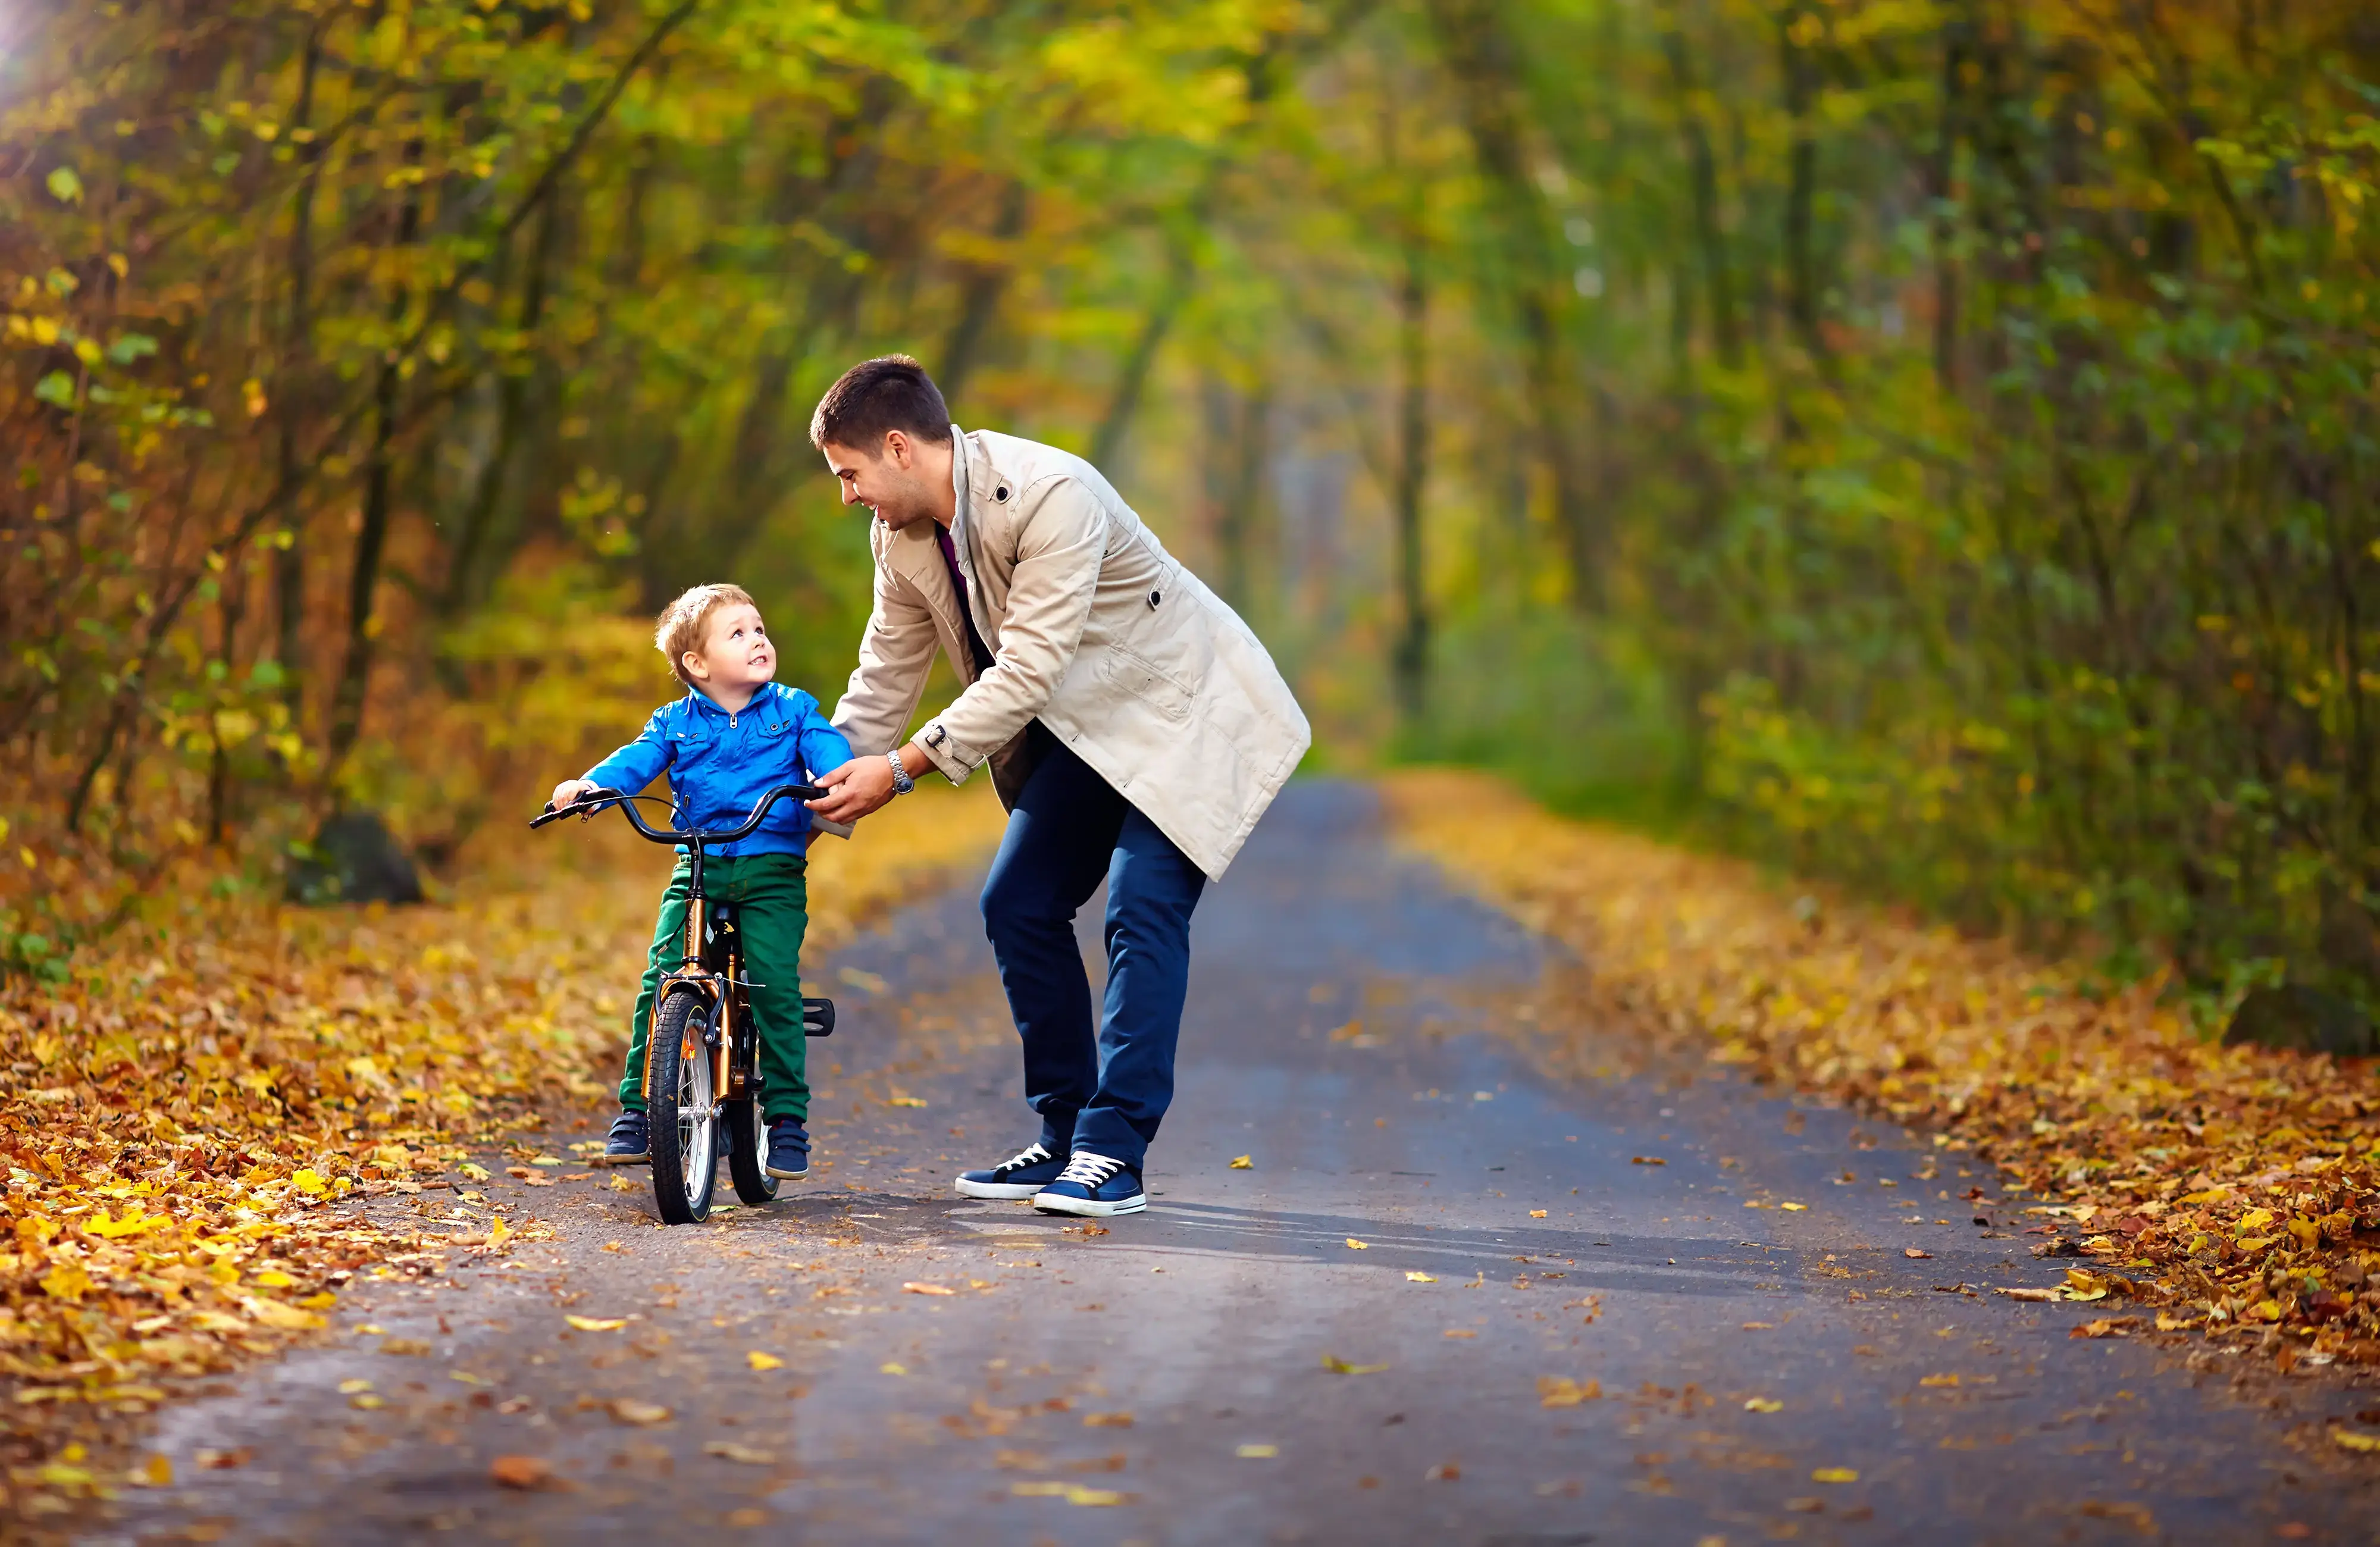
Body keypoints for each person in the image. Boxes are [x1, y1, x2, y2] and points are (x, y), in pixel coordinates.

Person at [804, 356, 1310, 1217]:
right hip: (1088, 729)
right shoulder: (899, 536)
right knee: (1018, 904)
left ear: (897, 448)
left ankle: (1114, 1151)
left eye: (850, 475)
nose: (849, 496)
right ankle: (1064, 1131)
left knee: (1140, 909)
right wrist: (806, 802)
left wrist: (903, 769)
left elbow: (1030, 670)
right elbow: (885, 675)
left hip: (1182, 715)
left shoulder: (1051, 493)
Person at [551, 584, 851, 1181]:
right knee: (662, 977)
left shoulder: (792, 708)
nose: (758, 639)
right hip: (699, 864)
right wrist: (591, 785)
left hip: (770, 871)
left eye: (759, 627)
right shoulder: (674, 721)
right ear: (697, 663)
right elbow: (636, 759)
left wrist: (835, 775)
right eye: (737, 633)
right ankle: (639, 1109)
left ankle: (786, 1115)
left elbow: (827, 745)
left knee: (772, 983)